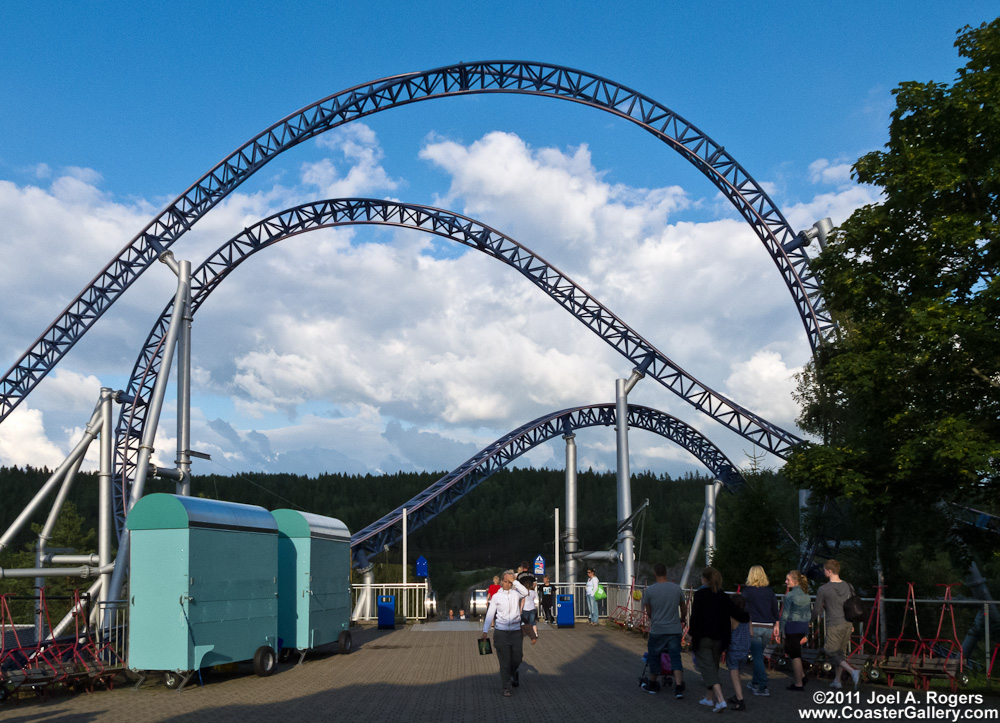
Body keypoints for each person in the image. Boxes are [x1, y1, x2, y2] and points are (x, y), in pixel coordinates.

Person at [688, 566, 749, 714]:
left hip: (703, 637)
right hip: (720, 639)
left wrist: (691, 634)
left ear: (705, 579)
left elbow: (695, 617)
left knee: (708, 669)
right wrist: (746, 616)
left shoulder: (700, 594)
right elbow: (735, 612)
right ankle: (709, 698)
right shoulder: (723, 595)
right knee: (713, 666)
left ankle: (720, 700)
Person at [640, 562, 687, 699]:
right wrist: (682, 618)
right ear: (666, 573)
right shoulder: (677, 589)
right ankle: (678, 688)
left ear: (655, 573)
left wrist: (653, 619)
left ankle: (653, 684)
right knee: (675, 657)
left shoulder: (650, 590)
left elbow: (648, 611)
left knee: (654, 656)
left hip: (658, 629)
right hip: (674, 629)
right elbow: (683, 608)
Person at [812, 559, 861, 690]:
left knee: (830, 650)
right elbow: (852, 605)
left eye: (824, 570)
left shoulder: (823, 589)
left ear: (829, 571)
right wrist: (853, 624)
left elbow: (817, 609)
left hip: (834, 624)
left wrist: (810, 621)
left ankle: (852, 671)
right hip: (847, 623)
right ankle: (837, 680)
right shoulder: (848, 586)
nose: (823, 572)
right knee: (840, 653)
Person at [481, 570, 530, 696]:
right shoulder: (497, 596)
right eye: (506, 581)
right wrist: (485, 630)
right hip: (501, 632)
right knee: (505, 661)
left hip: (515, 631)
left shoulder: (516, 593)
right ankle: (506, 687)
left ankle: (512, 672)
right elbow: (490, 613)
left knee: (517, 657)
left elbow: (526, 592)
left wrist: (515, 581)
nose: (507, 584)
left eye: (509, 582)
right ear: (501, 582)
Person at [741, 565, 780, 696]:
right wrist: (777, 625)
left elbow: (742, 608)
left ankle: (763, 686)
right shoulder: (769, 592)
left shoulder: (747, 591)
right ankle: (755, 682)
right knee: (759, 656)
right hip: (768, 626)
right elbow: (775, 609)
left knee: (757, 657)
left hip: (753, 626)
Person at [779, 570, 812, 691]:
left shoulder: (790, 595)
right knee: (792, 650)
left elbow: (785, 614)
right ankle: (802, 677)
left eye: (788, 580)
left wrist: (781, 629)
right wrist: (807, 632)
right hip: (803, 625)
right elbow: (808, 614)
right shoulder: (806, 595)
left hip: (792, 625)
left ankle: (798, 683)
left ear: (795, 581)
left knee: (794, 654)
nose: (786, 582)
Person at [726, 593, 751, 711]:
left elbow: (727, 631)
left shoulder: (732, 617)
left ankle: (740, 700)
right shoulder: (747, 617)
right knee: (738, 673)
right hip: (745, 649)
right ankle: (737, 695)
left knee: (734, 674)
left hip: (734, 648)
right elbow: (751, 633)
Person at [521, 578, 539, 643]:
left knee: (525, 622)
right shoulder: (534, 592)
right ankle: (535, 633)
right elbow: (536, 599)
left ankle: (524, 633)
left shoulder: (524, 593)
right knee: (533, 621)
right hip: (532, 608)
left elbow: (522, 601)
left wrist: (521, 608)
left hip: (525, 608)